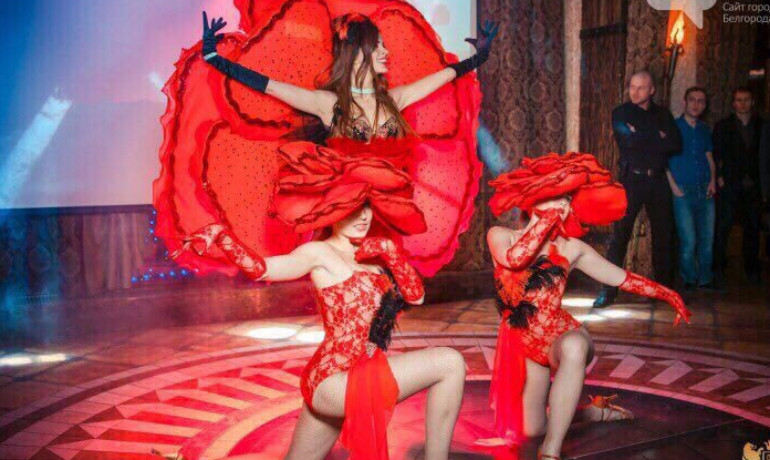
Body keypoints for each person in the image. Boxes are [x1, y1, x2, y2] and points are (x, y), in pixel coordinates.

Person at [159, 141, 467, 460]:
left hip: (358, 374)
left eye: (365, 206)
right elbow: (262, 269)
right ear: (331, 212)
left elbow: (416, 296)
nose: (362, 217)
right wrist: (222, 237)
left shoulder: (375, 258)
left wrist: (391, 252)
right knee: (449, 362)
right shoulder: (318, 253)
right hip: (334, 381)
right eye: (350, 208)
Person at [153, 6, 497, 279]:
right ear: (357, 51)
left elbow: (445, 76)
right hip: (347, 222)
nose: (386, 51)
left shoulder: (397, 99)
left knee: (383, 299)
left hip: (388, 222)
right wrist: (215, 59)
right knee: (352, 295)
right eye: (378, 45)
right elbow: (268, 85)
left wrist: (478, 59)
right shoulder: (329, 104)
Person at [482, 153, 691, 460]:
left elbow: (621, 278)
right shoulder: (501, 236)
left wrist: (668, 294)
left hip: (560, 336)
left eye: (566, 199)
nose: (562, 205)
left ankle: (551, 452)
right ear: (533, 199)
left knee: (575, 348)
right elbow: (517, 259)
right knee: (531, 428)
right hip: (522, 344)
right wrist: (547, 218)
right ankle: (590, 412)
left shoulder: (572, 248)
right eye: (555, 197)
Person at [594, 70, 682, 307]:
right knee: (620, 237)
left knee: (663, 236)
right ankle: (608, 291)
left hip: (658, 181)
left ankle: (664, 292)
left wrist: (641, 134)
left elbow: (674, 143)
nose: (635, 92)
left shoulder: (663, 114)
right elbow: (627, 141)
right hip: (631, 180)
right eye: (632, 86)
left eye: (641, 87)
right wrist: (657, 137)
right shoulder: (621, 113)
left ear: (651, 90)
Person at [666, 87, 718, 290]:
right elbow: (663, 160)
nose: (696, 104)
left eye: (701, 101)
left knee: (707, 238)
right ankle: (688, 278)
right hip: (682, 190)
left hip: (705, 189)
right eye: (693, 100)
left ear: (705, 106)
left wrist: (713, 180)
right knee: (688, 239)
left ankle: (705, 279)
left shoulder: (704, 129)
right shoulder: (673, 127)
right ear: (685, 102)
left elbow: (709, 157)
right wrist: (673, 186)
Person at [713, 87, 765, 284]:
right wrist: (719, 178)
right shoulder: (723, 126)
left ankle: (751, 270)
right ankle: (718, 269)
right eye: (739, 100)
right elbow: (715, 154)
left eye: (746, 100)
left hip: (754, 186)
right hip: (730, 185)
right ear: (734, 103)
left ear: (752, 102)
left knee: (752, 229)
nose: (742, 104)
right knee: (723, 228)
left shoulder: (762, 125)